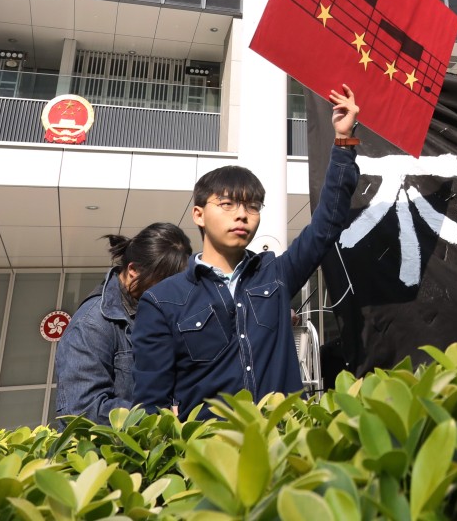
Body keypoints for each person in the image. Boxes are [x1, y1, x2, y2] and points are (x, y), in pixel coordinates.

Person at [132, 84, 360, 419]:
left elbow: (327, 223)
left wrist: (344, 141)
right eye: (227, 204)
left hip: (285, 448)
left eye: (252, 207)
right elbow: (151, 405)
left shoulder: (276, 276)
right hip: (213, 459)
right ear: (198, 214)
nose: (242, 214)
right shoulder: (163, 301)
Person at [54, 223, 192, 425]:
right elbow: (82, 410)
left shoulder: (158, 311)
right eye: (166, 282)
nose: (175, 292)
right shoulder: (92, 324)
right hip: (110, 454)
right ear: (134, 270)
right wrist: (159, 416)